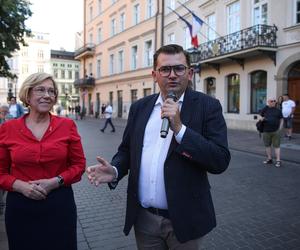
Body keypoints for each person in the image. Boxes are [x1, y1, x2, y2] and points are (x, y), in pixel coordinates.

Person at [87, 44, 230, 249]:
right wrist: (116, 169)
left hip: (186, 219)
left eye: (179, 68)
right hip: (145, 220)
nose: (172, 75)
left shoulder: (208, 106)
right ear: (155, 74)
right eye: (165, 69)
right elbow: (127, 150)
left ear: (189, 73)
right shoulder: (140, 107)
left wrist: (180, 130)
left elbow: (220, 160)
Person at [0, 72, 86, 250]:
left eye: (51, 91)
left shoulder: (67, 125)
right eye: (40, 90)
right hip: (20, 207)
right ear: (28, 94)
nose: (47, 95)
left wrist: (56, 182)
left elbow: (79, 166)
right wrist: (20, 186)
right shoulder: (8, 128)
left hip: (59, 205)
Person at [259, 98, 283, 167]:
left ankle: (278, 160)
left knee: (277, 146)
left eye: (274, 101)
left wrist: (280, 128)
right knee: (267, 145)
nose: (273, 102)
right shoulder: (265, 109)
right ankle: (269, 159)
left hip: (276, 131)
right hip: (266, 131)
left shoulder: (278, 110)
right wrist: (261, 118)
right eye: (271, 101)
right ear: (268, 102)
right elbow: (260, 115)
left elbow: (281, 119)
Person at [0, 105, 12, 215]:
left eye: (5, 110)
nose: (4, 112)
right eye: (2, 111)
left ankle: (1, 207)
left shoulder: (11, 119)